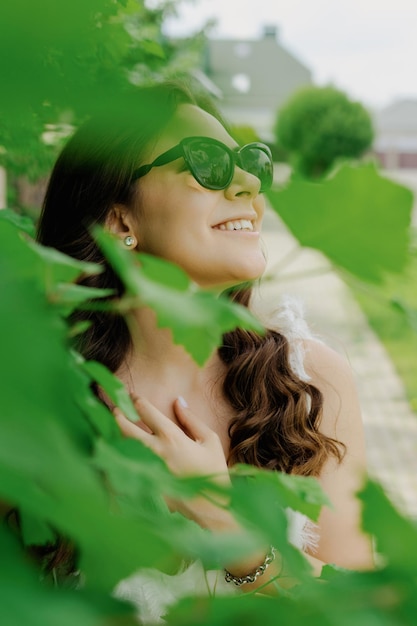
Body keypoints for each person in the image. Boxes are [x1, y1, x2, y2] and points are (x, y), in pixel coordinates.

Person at [37, 80, 374, 622]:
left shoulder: (312, 383)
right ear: (121, 219)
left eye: (249, 164)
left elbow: (360, 607)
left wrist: (230, 527)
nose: (246, 187)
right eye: (207, 163)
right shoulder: (41, 390)